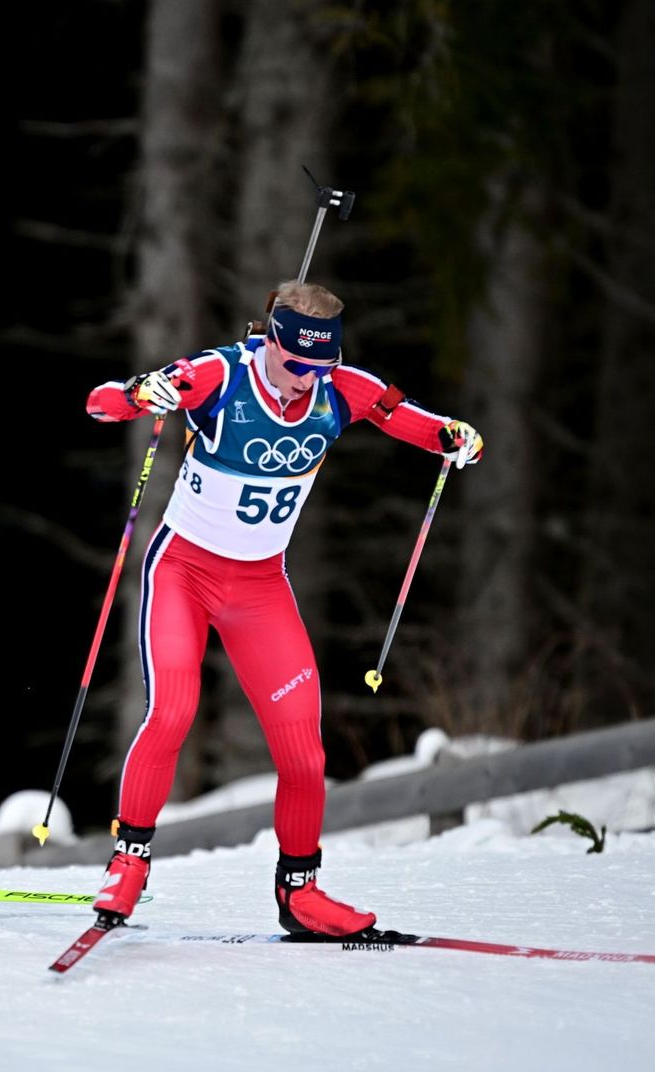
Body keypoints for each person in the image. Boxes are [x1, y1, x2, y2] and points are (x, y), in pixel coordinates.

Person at [83, 281, 482, 937]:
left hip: (261, 587)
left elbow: (406, 416)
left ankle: (300, 892)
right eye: (296, 367)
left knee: (304, 751)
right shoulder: (219, 374)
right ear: (270, 343)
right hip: (183, 573)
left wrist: (454, 437)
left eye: (320, 370)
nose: (307, 383)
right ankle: (129, 861)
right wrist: (136, 396)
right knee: (174, 709)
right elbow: (99, 406)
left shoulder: (339, 387)